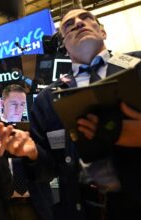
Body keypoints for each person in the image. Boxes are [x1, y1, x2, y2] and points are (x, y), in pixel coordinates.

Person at [26, 6, 141, 220]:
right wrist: (31, 155)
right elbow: (47, 168)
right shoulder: (47, 99)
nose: (78, 23)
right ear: (64, 45)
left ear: (102, 32)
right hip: (82, 210)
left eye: (86, 18)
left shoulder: (138, 66)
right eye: (69, 25)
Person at [0, 84, 53, 220]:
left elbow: (49, 169)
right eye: (14, 104)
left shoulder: (35, 131)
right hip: (3, 206)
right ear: (2, 103)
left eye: (22, 104)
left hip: (37, 204)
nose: (18, 109)